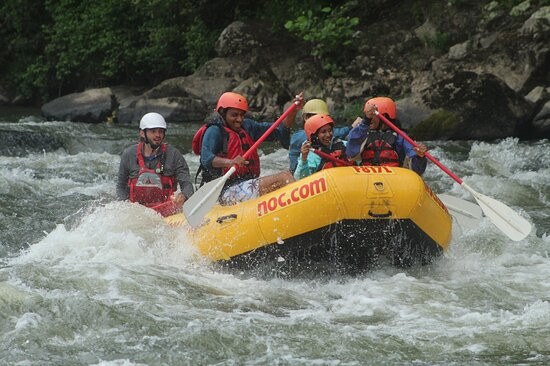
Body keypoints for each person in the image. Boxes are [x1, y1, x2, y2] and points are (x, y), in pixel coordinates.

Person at [196, 91, 303, 205]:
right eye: (234, 115)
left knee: (287, 176)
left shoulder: (247, 126)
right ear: (223, 112)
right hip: (225, 191)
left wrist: (293, 111)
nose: (239, 119)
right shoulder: (214, 131)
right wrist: (231, 162)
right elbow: (206, 158)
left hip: (248, 183)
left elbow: (278, 130)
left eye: (242, 115)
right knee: (284, 178)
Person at [116, 112, 194, 216]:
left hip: (166, 212)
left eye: (161, 131)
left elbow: (187, 185)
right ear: (142, 133)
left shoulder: (174, 155)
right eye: (153, 131)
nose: (158, 135)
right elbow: (121, 186)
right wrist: (124, 207)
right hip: (136, 213)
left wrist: (184, 195)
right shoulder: (129, 154)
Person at [346, 97, 428, 175]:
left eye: (371, 115)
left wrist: (420, 157)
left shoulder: (400, 136)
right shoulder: (362, 132)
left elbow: (417, 170)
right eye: (367, 115)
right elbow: (351, 153)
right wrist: (366, 121)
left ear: (383, 117)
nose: (369, 118)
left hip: (393, 179)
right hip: (367, 177)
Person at [288, 99, 352, 173]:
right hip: (298, 171)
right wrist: (351, 128)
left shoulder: (336, 141)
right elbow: (337, 133)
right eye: (318, 117)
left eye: (325, 117)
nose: (323, 121)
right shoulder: (299, 136)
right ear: (306, 118)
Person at [294, 114, 349, 180]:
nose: (328, 135)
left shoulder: (343, 144)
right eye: (323, 132)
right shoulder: (309, 155)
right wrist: (304, 159)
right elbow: (298, 179)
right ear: (314, 136)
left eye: (330, 130)